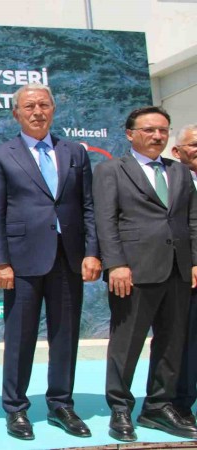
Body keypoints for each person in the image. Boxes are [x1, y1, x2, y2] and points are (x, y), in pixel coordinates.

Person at [0, 83, 101, 440]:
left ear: (53, 109)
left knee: (65, 335)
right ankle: (16, 408)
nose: (37, 112)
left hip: (68, 258)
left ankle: (61, 404)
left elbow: (88, 206)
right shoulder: (0, 155)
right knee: (20, 338)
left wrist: (92, 251)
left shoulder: (75, 152)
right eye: (29, 106)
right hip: (21, 261)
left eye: (44, 105)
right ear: (16, 113)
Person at [94, 107, 197, 442]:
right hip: (133, 272)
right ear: (130, 134)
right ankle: (120, 408)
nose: (157, 136)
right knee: (126, 344)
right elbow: (105, 221)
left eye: (163, 130)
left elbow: (192, 219)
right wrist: (115, 264)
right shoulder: (111, 170)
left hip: (178, 270)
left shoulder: (180, 171)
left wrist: (195, 261)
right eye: (149, 129)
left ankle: (158, 407)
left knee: (171, 343)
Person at [172, 123, 197, 424]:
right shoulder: (171, 182)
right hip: (186, 273)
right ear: (177, 151)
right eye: (194, 144)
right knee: (187, 343)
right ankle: (181, 404)